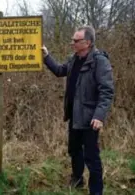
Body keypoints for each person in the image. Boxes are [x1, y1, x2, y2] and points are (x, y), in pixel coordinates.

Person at [42, 26, 114, 195]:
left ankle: (96, 191)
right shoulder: (74, 59)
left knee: (91, 156)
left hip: (90, 118)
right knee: (74, 150)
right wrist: (46, 56)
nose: (72, 43)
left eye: (76, 41)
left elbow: (107, 91)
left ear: (87, 43)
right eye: (73, 40)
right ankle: (77, 180)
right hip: (74, 115)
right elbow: (60, 71)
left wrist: (99, 116)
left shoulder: (99, 61)